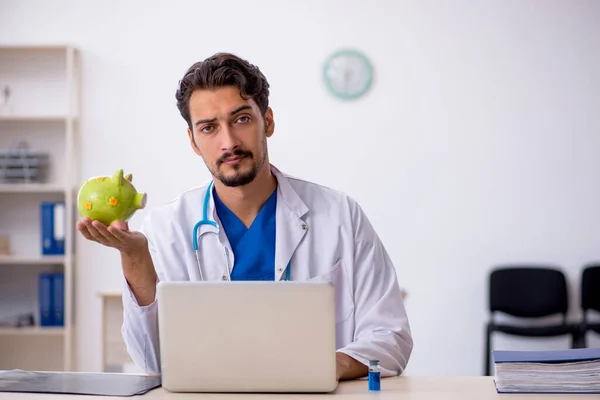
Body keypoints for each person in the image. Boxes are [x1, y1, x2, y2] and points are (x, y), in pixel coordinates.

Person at [77, 52, 413, 380]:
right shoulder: (166, 229)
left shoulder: (340, 215)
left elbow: (390, 335)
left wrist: (324, 365)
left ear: (267, 121)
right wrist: (135, 258)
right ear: (193, 141)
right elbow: (153, 362)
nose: (228, 142)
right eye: (209, 128)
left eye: (241, 119)